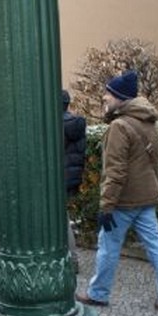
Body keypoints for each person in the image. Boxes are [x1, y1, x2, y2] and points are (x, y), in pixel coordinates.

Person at [77, 69, 158, 314]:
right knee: (157, 246)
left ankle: (98, 294)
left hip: (123, 201)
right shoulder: (149, 123)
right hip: (146, 197)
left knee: (108, 246)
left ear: (121, 97)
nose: (104, 97)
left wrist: (106, 205)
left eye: (109, 93)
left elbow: (115, 171)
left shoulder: (119, 126)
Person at [62, 88, 87, 271]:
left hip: (57, 179)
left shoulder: (57, 125)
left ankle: (72, 259)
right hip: (72, 178)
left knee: (61, 218)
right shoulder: (77, 124)